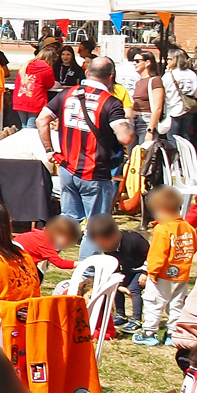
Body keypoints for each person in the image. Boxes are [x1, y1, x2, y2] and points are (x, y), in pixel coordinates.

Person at [38, 56, 134, 259]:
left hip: (67, 168)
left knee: (68, 219)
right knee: (96, 226)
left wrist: (49, 149)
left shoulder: (67, 94)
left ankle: (42, 257)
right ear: (111, 77)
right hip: (94, 172)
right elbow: (125, 138)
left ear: (87, 73)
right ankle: (86, 275)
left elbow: (42, 120)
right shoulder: (111, 102)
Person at [134, 186, 197, 347]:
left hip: (161, 274)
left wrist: (151, 272)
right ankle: (172, 333)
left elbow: (157, 254)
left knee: (154, 301)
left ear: (161, 209)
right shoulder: (188, 228)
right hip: (181, 274)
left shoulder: (162, 229)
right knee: (176, 303)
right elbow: (194, 247)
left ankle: (149, 332)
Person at [13, 214, 81, 272]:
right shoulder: (46, 244)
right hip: (17, 264)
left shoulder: (41, 233)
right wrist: (82, 263)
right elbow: (60, 263)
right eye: (67, 239)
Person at [12, 45, 57, 129]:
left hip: (20, 98)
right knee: (31, 127)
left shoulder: (26, 65)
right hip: (35, 100)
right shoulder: (47, 69)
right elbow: (49, 84)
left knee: (24, 126)